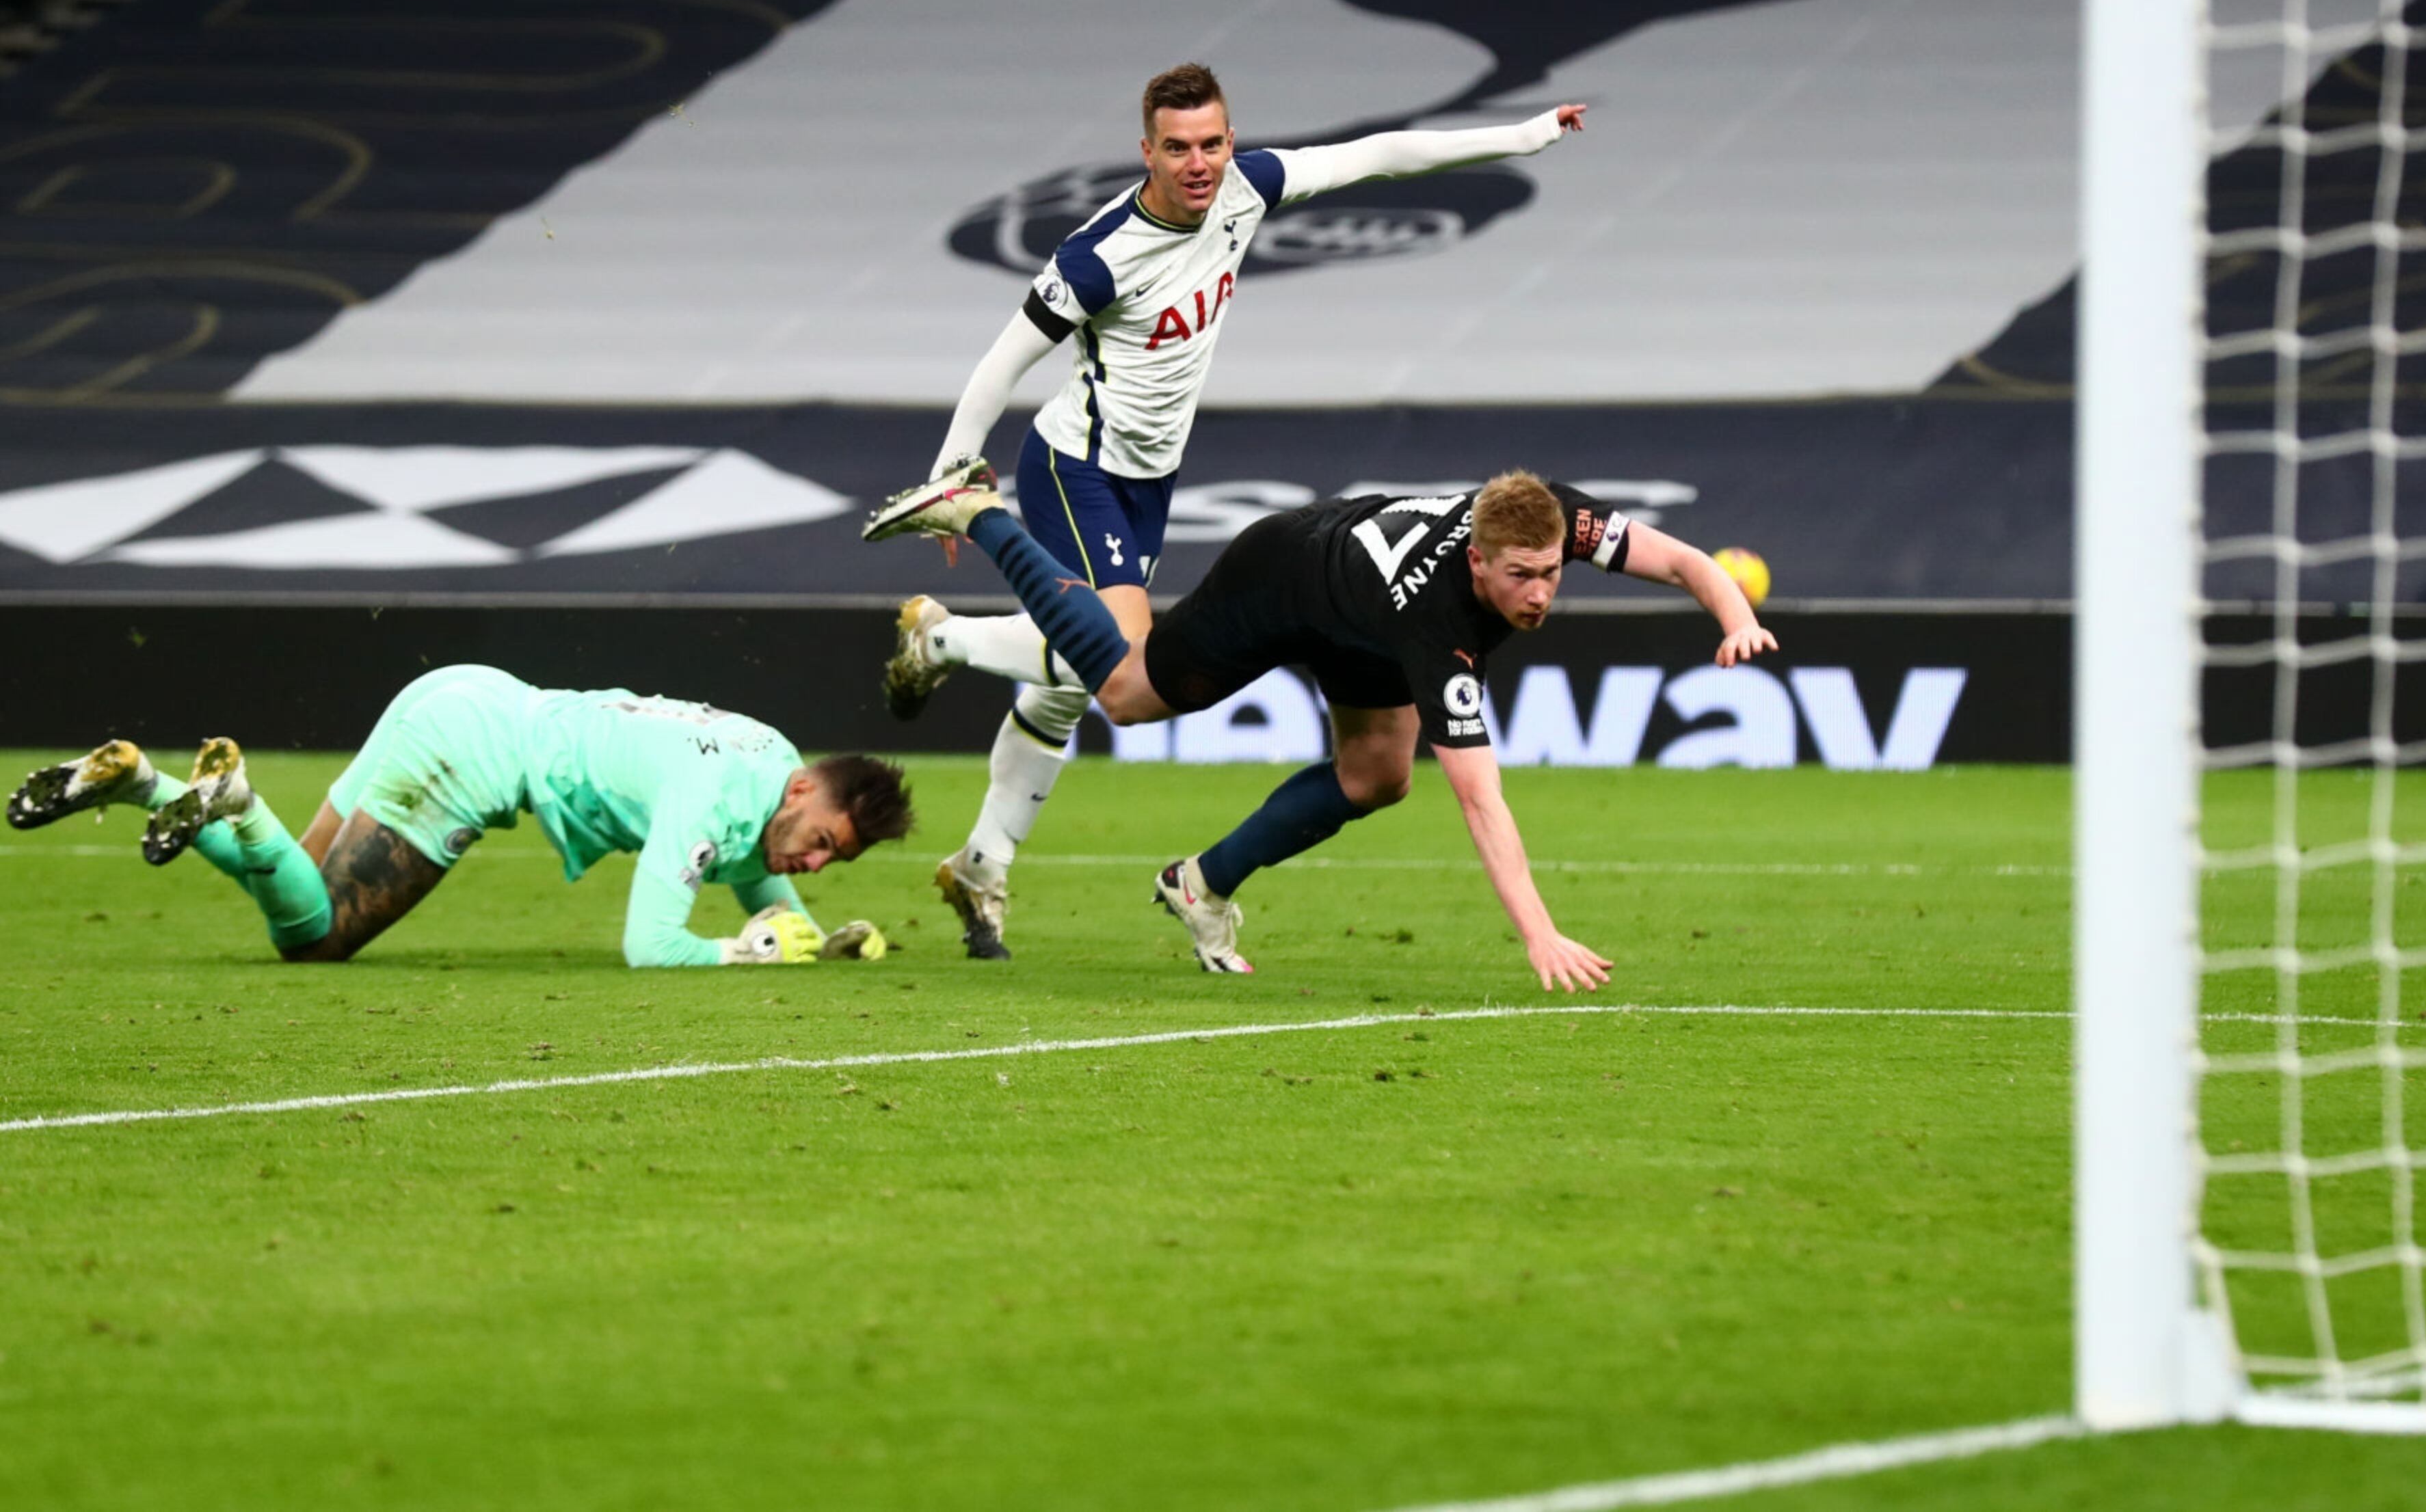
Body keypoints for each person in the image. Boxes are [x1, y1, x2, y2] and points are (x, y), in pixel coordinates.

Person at [867, 62, 1588, 961]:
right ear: (1147, 153)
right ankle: (946, 642)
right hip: (1076, 469)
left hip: (1150, 479)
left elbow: (1381, 156)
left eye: (1213, 142)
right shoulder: (1099, 257)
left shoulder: (1248, 190)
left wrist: (1522, 135)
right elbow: (1001, 360)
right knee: (1125, 670)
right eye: (1178, 148)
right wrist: (950, 475)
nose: (1200, 163)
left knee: (1070, 682)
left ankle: (983, 863)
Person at [864, 461, 1774, 990]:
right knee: (1128, 696)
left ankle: (1200, 884)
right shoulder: (1440, 627)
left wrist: (1734, 619)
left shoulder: (1549, 517)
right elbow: (1483, 802)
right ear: (1479, 562)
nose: (1539, 593)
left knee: (1380, 774)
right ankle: (977, 512)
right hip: (1285, 579)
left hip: (1359, 607)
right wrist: (1538, 932)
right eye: (1519, 577)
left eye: (1552, 572)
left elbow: (1686, 560)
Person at [5, 664, 911, 967]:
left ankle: (145, 786)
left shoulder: (773, 762)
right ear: (804, 796)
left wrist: (815, 936)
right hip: (471, 754)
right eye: (827, 842)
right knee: (314, 938)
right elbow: (650, 944)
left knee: (283, 877)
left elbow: (757, 867)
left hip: (466, 692)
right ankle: (231, 797)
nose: (817, 864)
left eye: (837, 861)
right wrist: (736, 951)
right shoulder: (712, 797)